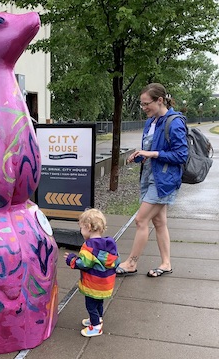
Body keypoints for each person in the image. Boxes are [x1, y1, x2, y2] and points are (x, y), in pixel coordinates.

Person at [116, 83, 188, 278]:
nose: (144, 107)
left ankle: (131, 263)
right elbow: (151, 150)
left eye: (146, 103)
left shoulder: (174, 122)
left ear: (160, 100)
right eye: (141, 104)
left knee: (141, 220)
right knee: (159, 221)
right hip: (149, 177)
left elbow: (181, 155)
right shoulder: (151, 122)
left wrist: (152, 153)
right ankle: (166, 263)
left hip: (164, 181)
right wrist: (139, 156)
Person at [64, 208, 120, 337]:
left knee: (90, 305)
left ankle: (95, 327)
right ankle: (98, 318)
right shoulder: (109, 244)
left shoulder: (88, 246)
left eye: (81, 228)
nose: (81, 231)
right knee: (99, 302)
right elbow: (116, 262)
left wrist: (71, 259)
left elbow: (83, 264)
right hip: (105, 283)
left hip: (93, 284)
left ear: (88, 227)